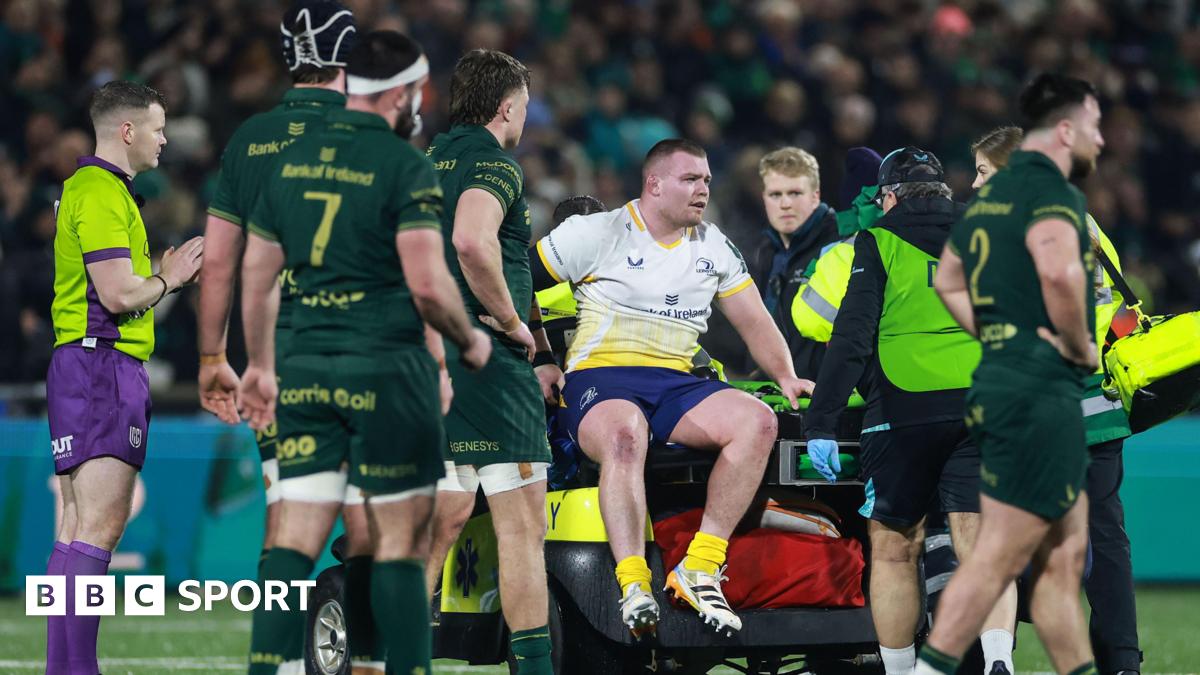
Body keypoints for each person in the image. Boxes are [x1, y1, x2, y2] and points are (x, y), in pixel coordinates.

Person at [237, 31, 491, 675]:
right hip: (383, 372)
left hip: (303, 369)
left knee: (293, 537)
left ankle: (268, 669)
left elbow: (255, 275)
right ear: (402, 92)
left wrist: (259, 365)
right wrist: (467, 341)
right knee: (397, 544)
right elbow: (429, 288)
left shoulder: (287, 162)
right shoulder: (405, 166)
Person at [531, 138, 814, 637]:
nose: (703, 189)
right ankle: (633, 582)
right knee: (625, 434)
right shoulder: (596, 232)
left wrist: (787, 376)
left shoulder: (713, 244)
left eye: (706, 179)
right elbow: (517, 283)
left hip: (676, 382)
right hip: (601, 377)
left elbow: (754, 320)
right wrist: (540, 357)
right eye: (690, 179)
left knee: (758, 421)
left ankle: (701, 567)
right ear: (654, 184)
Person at [802, 146, 1018, 675]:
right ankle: (998, 661)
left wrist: (821, 422)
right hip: (982, 404)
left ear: (889, 195)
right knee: (981, 539)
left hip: (902, 410)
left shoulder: (878, 239)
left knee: (896, 547)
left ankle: (899, 671)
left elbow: (851, 338)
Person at [919, 73, 1105, 675]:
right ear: (1068, 129)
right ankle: (931, 668)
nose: (1101, 140)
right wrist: (1079, 346)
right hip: (1039, 393)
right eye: (1096, 126)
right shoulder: (1049, 196)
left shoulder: (986, 205)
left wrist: (996, 332)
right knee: (1004, 555)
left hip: (1001, 382)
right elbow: (1061, 275)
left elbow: (947, 279)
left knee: (1059, 558)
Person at [194, 2, 356, 668]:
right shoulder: (372, 136)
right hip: (361, 354)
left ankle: (280, 663)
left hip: (275, 361)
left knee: (287, 517)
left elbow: (219, 260)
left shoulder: (249, 140)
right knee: (378, 519)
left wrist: (211, 356)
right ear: (347, 62)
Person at [971, 124, 1141, 675]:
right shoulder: (1082, 221)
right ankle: (1122, 662)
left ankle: (995, 658)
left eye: (984, 173)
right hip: (1095, 406)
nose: (975, 186)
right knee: (1106, 539)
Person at [46, 80, 203, 675]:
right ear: (128, 131)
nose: (165, 139)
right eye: (159, 128)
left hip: (81, 364)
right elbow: (116, 295)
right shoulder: (105, 194)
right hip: (104, 366)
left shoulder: (84, 189)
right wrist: (172, 279)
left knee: (75, 527)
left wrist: (153, 278)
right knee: (100, 528)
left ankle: (63, 670)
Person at [423, 48, 557, 675]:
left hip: (427, 360)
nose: (525, 118)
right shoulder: (493, 164)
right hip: (488, 367)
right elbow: (472, 241)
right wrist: (508, 321)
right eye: (525, 106)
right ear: (507, 107)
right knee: (523, 523)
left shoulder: (424, 163)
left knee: (441, 518)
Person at [748, 147, 839, 378]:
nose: (785, 204)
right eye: (775, 195)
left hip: (824, 394)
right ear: (764, 198)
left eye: (795, 193)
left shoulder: (840, 246)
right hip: (774, 389)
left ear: (815, 196)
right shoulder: (763, 250)